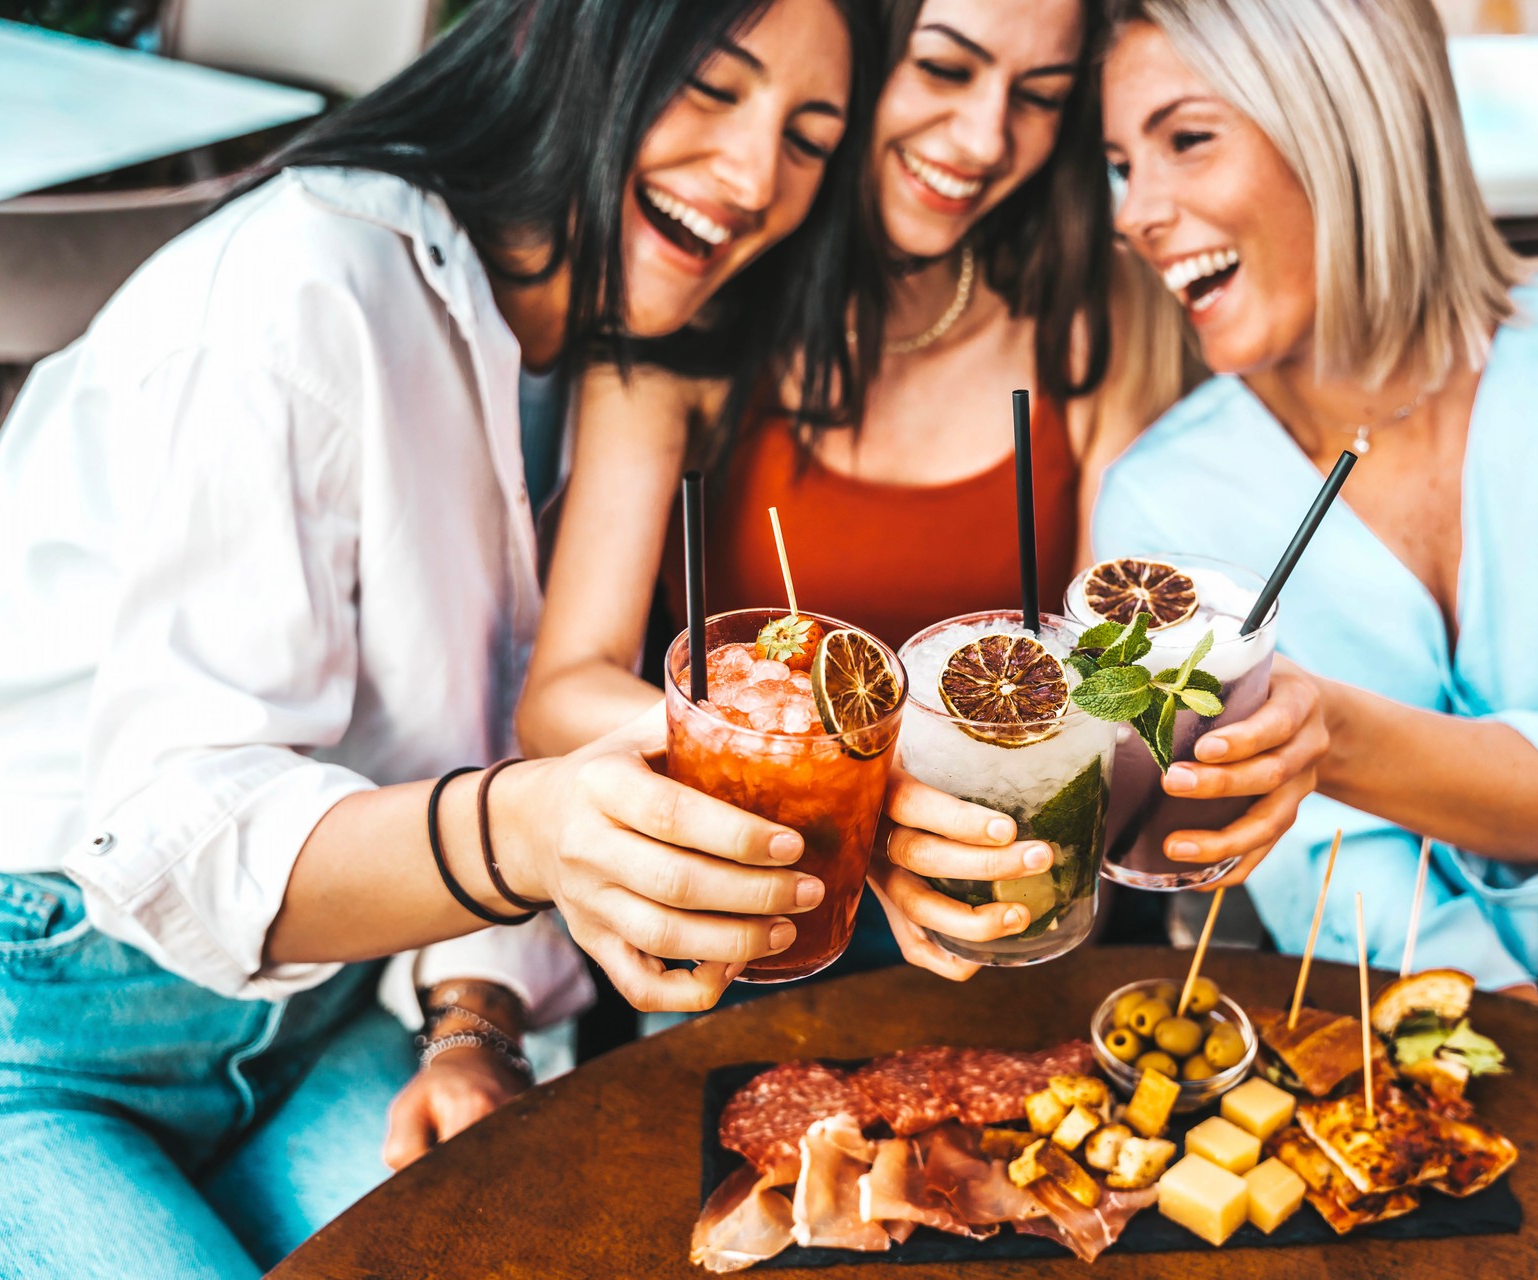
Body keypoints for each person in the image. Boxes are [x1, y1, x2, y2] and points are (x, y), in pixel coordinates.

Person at [0, 0, 876, 1273]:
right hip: (34, 1020)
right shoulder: (309, 282)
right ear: (556, 41)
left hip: (327, 1014)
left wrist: (473, 1020)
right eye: (711, 89)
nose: (754, 179)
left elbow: (456, 716)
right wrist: (531, 832)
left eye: (809, 137)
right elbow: (182, 838)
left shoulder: (599, 350)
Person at [515, 0, 1329, 991]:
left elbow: (1115, 667)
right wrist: (862, 785)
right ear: (845, 61)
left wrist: (1221, 728)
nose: (987, 142)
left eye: (1039, 98)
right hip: (768, 906)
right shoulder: (691, 309)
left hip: (1028, 904)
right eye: (944, 70)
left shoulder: (1096, 311)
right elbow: (563, 690)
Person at [1094, 0, 1538, 1099]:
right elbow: (1318, 864)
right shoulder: (1159, 496)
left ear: (1349, 121)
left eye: (1187, 139)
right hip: (1390, 987)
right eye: (1118, 164)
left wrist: (1324, 731)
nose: (1137, 212)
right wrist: (1487, 1023)